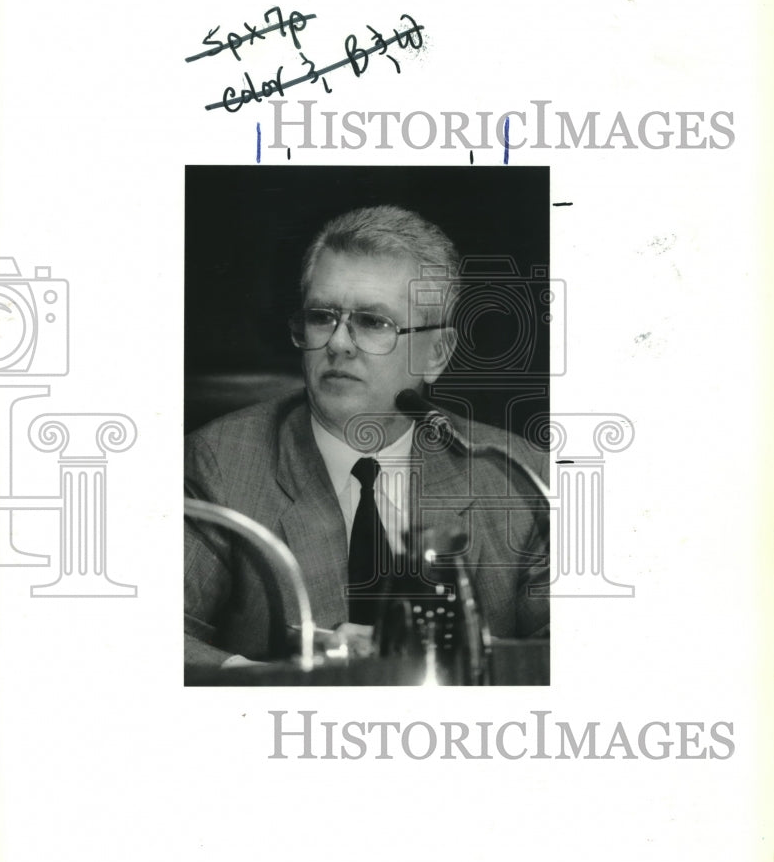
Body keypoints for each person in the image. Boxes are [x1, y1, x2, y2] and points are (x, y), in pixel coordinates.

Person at [184, 205, 549, 673]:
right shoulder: (221, 463)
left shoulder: (515, 476)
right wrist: (277, 680)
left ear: (436, 353)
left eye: (373, 322)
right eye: (322, 316)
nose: (337, 343)